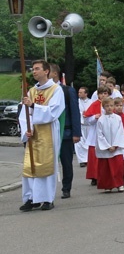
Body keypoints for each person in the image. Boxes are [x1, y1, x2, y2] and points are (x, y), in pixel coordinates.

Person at [18, 60, 65, 212]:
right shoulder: (31, 91)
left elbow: (54, 111)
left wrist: (33, 106)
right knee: (30, 165)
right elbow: (24, 115)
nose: (34, 71)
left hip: (48, 131)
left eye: (37, 69)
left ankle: (47, 199)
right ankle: (31, 198)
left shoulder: (56, 89)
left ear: (46, 71)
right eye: (33, 69)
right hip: (33, 133)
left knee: (46, 165)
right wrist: (27, 129)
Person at [49, 64, 82, 199]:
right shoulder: (44, 91)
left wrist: (76, 133)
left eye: (48, 72)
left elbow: (74, 112)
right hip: (49, 133)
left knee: (66, 162)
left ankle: (66, 188)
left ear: (55, 74)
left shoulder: (67, 91)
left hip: (65, 133)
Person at [96, 97, 124, 193]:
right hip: (106, 148)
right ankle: (108, 185)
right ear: (103, 107)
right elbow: (100, 135)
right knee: (106, 168)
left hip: (116, 148)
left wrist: (115, 145)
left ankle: (119, 184)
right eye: (107, 106)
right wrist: (108, 146)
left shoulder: (118, 118)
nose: (109, 108)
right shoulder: (100, 120)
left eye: (111, 105)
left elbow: (120, 132)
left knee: (118, 167)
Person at [83, 86, 111, 186]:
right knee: (94, 156)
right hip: (95, 133)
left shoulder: (110, 105)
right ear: (98, 94)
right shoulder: (94, 104)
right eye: (101, 93)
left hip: (108, 133)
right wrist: (94, 117)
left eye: (105, 93)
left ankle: (106, 175)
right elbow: (87, 120)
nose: (103, 95)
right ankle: (94, 176)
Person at [75, 87, 91, 168]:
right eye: (79, 92)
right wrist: (82, 114)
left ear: (86, 93)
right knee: (79, 143)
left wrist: (87, 114)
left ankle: (88, 158)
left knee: (88, 142)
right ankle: (82, 160)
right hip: (80, 124)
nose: (79, 94)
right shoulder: (76, 102)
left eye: (81, 92)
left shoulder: (91, 102)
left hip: (89, 125)